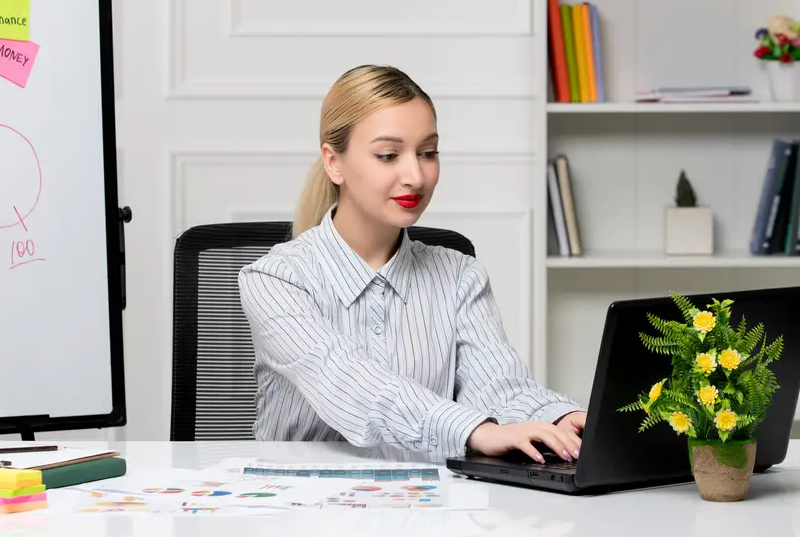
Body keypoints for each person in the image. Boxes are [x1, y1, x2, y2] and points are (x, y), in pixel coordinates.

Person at [238, 64, 586, 463]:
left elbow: (498, 388)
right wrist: (474, 430)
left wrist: (561, 416)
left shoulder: (459, 275)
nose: (415, 176)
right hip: (308, 508)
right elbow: (349, 383)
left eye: (428, 152)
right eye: (388, 155)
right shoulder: (275, 279)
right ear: (334, 162)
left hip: (425, 506)